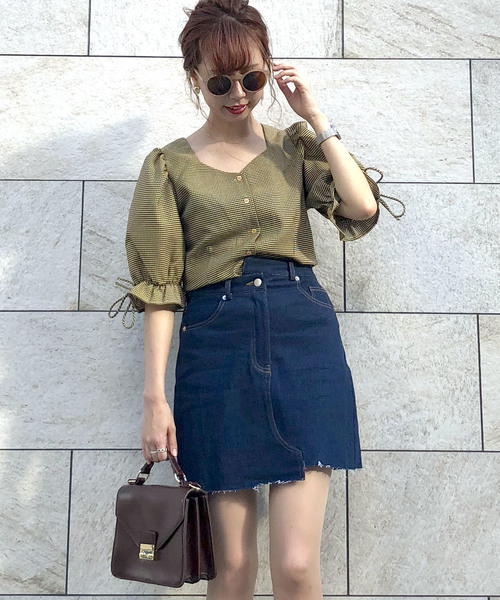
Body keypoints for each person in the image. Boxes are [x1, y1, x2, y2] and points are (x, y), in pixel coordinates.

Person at [108, 0, 405, 597]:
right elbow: (161, 290)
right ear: (194, 77)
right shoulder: (168, 166)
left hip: (303, 338)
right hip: (216, 348)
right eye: (220, 81)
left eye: (252, 77)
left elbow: (360, 206)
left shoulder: (293, 147)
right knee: (234, 567)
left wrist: (315, 115)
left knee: (295, 565)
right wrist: (153, 399)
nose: (238, 93)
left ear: (268, 70)